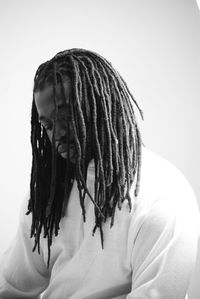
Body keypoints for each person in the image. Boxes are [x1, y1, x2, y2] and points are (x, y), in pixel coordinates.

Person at [0, 48, 199, 299]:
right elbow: (13, 287)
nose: (57, 134)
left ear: (103, 105)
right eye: (47, 125)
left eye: (66, 116)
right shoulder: (48, 195)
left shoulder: (163, 196)